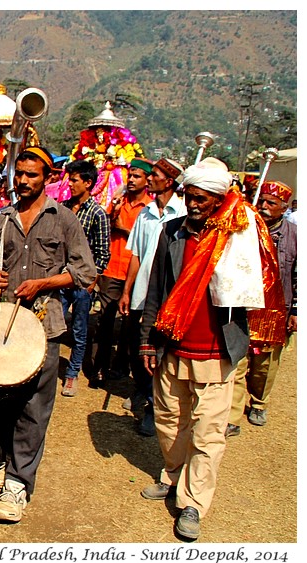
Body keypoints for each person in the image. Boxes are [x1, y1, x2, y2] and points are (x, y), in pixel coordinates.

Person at [138, 157, 274, 541]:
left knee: (209, 432)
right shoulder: (171, 233)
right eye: (189, 196)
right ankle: (173, 474)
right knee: (169, 422)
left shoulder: (238, 236)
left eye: (202, 199)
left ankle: (193, 503)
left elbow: (255, 287)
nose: (193, 205)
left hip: (216, 352)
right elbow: (156, 291)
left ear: (219, 199)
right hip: (172, 348)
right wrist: (148, 341)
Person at [0, 147, 96, 523]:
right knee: (0, 401)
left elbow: (85, 273)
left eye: (33, 175)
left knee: (34, 408)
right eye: (21, 174)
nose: (24, 181)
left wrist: (45, 282)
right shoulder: (1, 219)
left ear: (47, 178)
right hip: (3, 326)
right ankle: (11, 458)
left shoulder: (64, 220)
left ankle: (17, 484)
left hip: (45, 326)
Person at [118, 157, 186, 434]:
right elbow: (135, 254)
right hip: (142, 293)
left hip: (169, 297)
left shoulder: (181, 213)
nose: (150, 179)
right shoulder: (145, 213)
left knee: (160, 350)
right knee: (139, 347)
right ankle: (145, 391)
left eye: (155, 175)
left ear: (168, 181)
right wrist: (126, 290)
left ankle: (152, 407)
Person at [227, 180, 296, 436]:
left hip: (276, 311)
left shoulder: (296, 236)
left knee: (264, 367)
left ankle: (258, 402)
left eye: (271, 203)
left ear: (284, 208)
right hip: (244, 308)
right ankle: (232, 416)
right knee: (238, 362)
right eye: (262, 202)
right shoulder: (244, 228)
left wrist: (297, 312)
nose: (264, 207)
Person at [90, 158, 153, 386]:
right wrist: (113, 212)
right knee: (104, 321)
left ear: (147, 180)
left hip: (133, 272)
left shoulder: (149, 209)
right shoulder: (118, 200)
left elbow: (144, 242)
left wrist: (124, 230)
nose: (132, 180)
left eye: (137, 176)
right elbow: (105, 228)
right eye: (131, 176)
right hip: (111, 268)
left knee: (129, 324)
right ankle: (99, 368)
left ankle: (121, 365)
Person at [59, 158, 110, 396]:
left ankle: (71, 375)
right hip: (61, 278)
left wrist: (91, 282)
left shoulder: (98, 213)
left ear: (88, 183)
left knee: (79, 330)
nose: (70, 183)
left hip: (82, 284)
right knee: (53, 325)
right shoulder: (64, 208)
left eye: (75, 180)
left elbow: (103, 252)